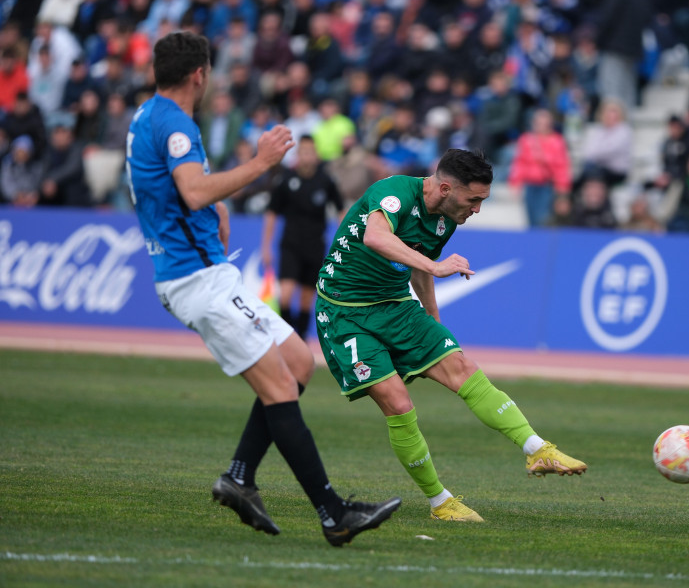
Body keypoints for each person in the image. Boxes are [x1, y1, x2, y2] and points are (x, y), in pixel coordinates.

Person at [126, 31, 400, 548]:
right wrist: (260, 163)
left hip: (205, 269)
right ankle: (333, 513)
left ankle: (239, 477)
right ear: (199, 75)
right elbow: (190, 188)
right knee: (278, 389)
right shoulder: (176, 124)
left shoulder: (148, 118)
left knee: (298, 364)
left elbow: (168, 191)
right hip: (196, 277)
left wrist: (216, 209)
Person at [314, 148, 587, 523]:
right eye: (473, 200)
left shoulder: (445, 219)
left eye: (482, 201)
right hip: (345, 313)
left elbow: (418, 266)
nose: (477, 209)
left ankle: (538, 449)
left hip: (394, 305)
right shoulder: (394, 193)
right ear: (444, 188)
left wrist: (433, 320)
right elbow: (376, 237)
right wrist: (436, 266)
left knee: (461, 366)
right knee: (398, 402)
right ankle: (440, 503)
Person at [262, 134, 344, 337]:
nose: (307, 156)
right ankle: (286, 337)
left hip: (315, 245)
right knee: (286, 295)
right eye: (303, 152)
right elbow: (272, 213)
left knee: (307, 298)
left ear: (316, 155)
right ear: (298, 155)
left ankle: (301, 341)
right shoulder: (286, 179)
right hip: (290, 244)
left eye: (311, 152)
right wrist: (266, 246)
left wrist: (344, 242)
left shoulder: (326, 181)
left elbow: (340, 211)